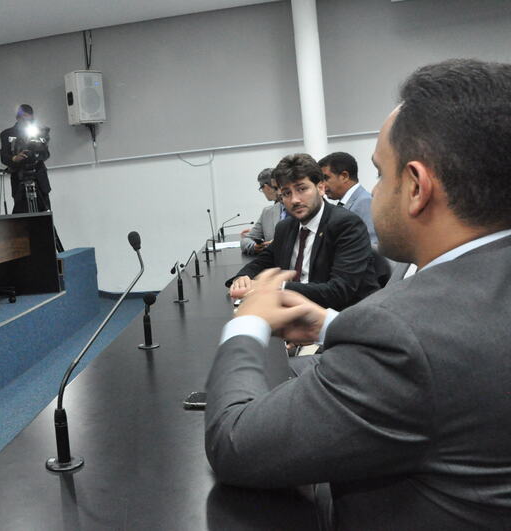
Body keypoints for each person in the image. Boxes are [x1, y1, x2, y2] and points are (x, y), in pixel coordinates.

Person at [205, 59, 511, 529]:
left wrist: (247, 323)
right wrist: (331, 326)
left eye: (380, 175)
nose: (372, 194)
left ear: (416, 187)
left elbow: (235, 444)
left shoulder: (402, 334)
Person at [227, 153, 378, 311]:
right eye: (286, 193)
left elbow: (339, 290)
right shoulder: (285, 227)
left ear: (320, 188)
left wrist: (278, 287)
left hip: (342, 315)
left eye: (302, 189)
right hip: (295, 312)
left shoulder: (346, 224)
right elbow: (264, 261)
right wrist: (242, 277)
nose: (294, 200)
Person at [0, 104, 52, 214]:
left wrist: (36, 153)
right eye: (23, 118)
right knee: (22, 216)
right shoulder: (7, 134)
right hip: (19, 178)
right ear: (17, 118)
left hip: (39, 178)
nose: (25, 121)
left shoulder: (40, 132)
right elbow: (4, 157)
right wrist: (15, 158)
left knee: (45, 214)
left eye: (28, 118)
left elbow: (46, 154)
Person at [318, 151, 377, 245]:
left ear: (344, 176)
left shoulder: (365, 202)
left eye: (326, 178)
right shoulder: (346, 203)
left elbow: (372, 244)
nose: (322, 185)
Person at [240, 168, 286, 254]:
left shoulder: (298, 210)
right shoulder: (267, 212)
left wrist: (276, 244)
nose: (279, 192)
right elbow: (245, 240)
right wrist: (255, 246)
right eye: (276, 188)